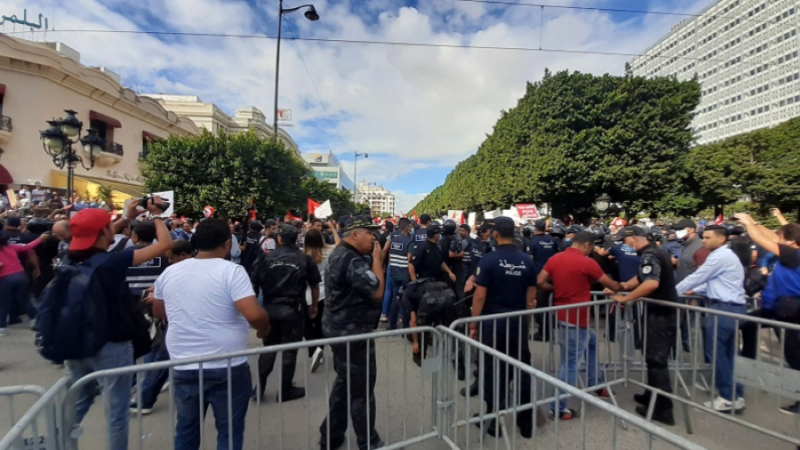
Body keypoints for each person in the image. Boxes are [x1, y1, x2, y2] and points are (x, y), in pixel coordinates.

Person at [152, 218, 270, 450]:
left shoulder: (171, 272)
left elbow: (159, 311)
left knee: (186, 428)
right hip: (226, 365)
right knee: (229, 432)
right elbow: (254, 315)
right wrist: (265, 329)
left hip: (184, 363)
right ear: (227, 244)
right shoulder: (232, 271)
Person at [65, 199, 173, 450]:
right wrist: (157, 215)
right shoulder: (111, 262)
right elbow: (166, 245)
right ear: (105, 232)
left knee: (80, 401)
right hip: (110, 344)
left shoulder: (68, 259)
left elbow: (95, 234)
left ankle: (62, 443)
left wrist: (125, 216)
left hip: (76, 341)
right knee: (116, 413)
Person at [538, 231, 621, 419]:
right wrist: (623, 287)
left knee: (590, 344)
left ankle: (596, 384)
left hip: (564, 316)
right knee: (570, 363)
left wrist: (556, 289)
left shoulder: (555, 259)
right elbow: (612, 285)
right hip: (576, 319)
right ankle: (558, 408)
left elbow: (539, 281)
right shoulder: (587, 262)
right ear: (587, 245)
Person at [319, 216, 385, 450]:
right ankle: (369, 442)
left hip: (340, 329)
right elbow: (377, 290)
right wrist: (378, 260)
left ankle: (330, 435)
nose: (374, 238)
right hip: (352, 334)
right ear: (355, 234)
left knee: (345, 383)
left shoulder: (342, 253)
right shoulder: (350, 259)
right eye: (370, 233)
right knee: (361, 391)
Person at [468, 217, 538, 438]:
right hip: (517, 322)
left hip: (492, 323)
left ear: (495, 234)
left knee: (492, 369)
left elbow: (480, 295)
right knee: (522, 368)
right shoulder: (527, 260)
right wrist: (525, 320)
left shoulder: (488, 260)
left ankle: (493, 420)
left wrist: (473, 323)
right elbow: (531, 295)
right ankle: (525, 421)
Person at [606, 226, 678, 426]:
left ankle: (663, 409)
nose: (623, 244)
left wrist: (626, 298)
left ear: (635, 238)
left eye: (625, 240)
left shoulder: (649, 254)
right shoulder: (654, 252)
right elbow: (640, 278)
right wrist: (621, 287)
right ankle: (650, 395)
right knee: (651, 358)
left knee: (657, 361)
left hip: (661, 315)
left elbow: (651, 283)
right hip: (660, 313)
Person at [675, 225, 747, 413]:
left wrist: (672, 292)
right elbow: (714, 282)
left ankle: (726, 396)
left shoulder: (719, 256)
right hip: (732, 307)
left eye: (707, 237)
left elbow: (698, 277)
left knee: (718, 353)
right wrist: (696, 290)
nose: (704, 240)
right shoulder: (727, 256)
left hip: (723, 309)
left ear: (721, 239)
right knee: (730, 355)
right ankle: (737, 395)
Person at [733, 215, 800, 415]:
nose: (776, 241)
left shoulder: (793, 255)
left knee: (794, 356)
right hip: (775, 307)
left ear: (790, 241)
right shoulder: (791, 251)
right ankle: (751, 368)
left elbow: (762, 239)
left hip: (790, 311)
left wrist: (746, 222)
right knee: (748, 324)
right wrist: (755, 222)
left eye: (780, 238)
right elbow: (770, 235)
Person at [250, 224, 321, 402]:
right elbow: (314, 285)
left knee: (269, 347)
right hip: (293, 309)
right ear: (296, 239)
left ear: (280, 239)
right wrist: (314, 307)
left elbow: (253, 284)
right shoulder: (304, 259)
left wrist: (256, 308)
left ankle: (260, 387)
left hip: (270, 307)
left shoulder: (266, 258)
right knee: (290, 350)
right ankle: (285, 388)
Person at [130, 239, 194, 415]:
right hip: (179, 322)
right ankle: (145, 396)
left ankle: (145, 399)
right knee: (158, 356)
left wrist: (156, 299)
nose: (170, 262)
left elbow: (160, 306)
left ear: (183, 255)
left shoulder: (179, 272)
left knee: (162, 359)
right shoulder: (176, 271)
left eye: (172, 258)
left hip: (179, 322)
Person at [0, 231, 49, 336]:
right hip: (21, 276)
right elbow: (28, 247)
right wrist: (41, 238)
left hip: (5, 278)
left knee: (3, 304)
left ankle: (2, 328)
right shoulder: (12, 246)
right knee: (25, 301)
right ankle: (35, 321)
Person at [304, 226, 339, 373]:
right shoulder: (329, 251)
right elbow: (339, 243)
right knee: (322, 325)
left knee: (308, 325)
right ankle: (320, 347)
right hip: (326, 294)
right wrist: (333, 228)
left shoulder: (303, 255)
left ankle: (314, 349)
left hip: (308, 296)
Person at [527, 219, 560, 341]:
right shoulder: (552, 240)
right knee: (549, 305)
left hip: (539, 277)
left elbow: (530, 259)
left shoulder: (533, 242)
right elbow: (557, 256)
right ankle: (547, 330)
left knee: (540, 305)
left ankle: (544, 333)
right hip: (551, 275)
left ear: (535, 228)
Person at [383, 218, 413, 330]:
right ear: (407, 228)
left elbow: (389, 254)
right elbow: (410, 259)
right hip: (405, 274)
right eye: (410, 227)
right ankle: (405, 326)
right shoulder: (409, 241)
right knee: (405, 301)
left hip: (394, 272)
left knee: (395, 299)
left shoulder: (394, 240)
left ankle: (392, 324)